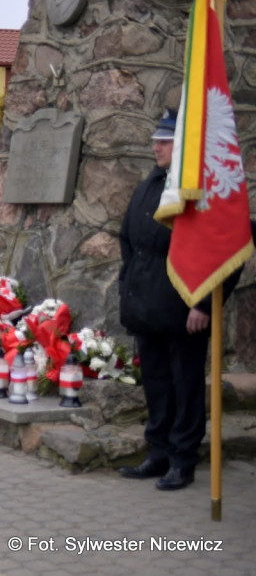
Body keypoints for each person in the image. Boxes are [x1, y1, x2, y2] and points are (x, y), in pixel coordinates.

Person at [117, 111, 242, 491]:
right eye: (155, 139)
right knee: (156, 382)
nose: (155, 146)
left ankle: (182, 459)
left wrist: (202, 304)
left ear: (184, 146)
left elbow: (227, 250)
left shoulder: (200, 190)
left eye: (165, 141)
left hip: (184, 310)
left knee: (185, 385)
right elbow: (129, 240)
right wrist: (130, 286)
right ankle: (158, 452)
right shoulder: (149, 185)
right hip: (147, 306)